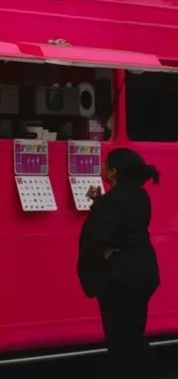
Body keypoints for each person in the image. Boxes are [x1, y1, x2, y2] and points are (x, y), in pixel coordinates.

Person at [78, 146, 161, 378]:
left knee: (120, 341)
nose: (102, 168)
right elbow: (124, 222)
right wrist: (100, 203)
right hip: (143, 272)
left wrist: (100, 252)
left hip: (120, 276)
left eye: (105, 164)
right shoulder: (140, 195)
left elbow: (99, 234)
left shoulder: (111, 202)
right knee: (133, 334)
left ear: (113, 172)